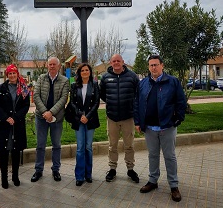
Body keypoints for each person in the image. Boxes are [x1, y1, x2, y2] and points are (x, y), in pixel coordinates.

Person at [134, 54, 186, 202]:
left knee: (169, 156)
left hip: (167, 127)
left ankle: (174, 185)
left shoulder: (173, 82)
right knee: (153, 155)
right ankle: (153, 181)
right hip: (150, 128)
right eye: (151, 65)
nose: (153, 68)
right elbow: (137, 103)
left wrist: (178, 118)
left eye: (156, 65)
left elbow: (181, 102)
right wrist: (138, 122)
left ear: (162, 65)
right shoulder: (143, 83)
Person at [99, 54, 140, 183]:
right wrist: (112, 103)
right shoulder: (105, 77)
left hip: (128, 117)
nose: (116, 63)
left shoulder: (132, 76)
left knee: (129, 146)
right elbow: (102, 94)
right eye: (114, 61)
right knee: (112, 146)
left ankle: (130, 169)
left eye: (118, 61)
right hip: (112, 117)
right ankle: (112, 169)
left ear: (123, 62)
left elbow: (138, 94)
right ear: (111, 63)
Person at [31, 57, 69, 182]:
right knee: (40, 145)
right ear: (47, 66)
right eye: (50, 64)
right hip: (41, 117)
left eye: (54, 64)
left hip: (56, 118)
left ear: (58, 66)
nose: (52, 66)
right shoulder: (41, 78)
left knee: (56, 145)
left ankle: (56, 170)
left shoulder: (64, 80)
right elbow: (36, 96)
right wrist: (45, 113)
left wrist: (51, 113)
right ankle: (38, 170)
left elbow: (63, 99)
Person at [0, 64, 30, 189]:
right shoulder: (2, 88)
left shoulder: (24, 88)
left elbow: (26, 106)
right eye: (10, 74)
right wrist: (5, 118)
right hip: (4, 125)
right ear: (7, 75)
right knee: (3, 151)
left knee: (16, 151)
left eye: (14, 73)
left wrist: (16, 117)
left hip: (17, 124)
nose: (12, 76)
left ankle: (15, 176)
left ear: (17, 74)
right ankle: (4, 177)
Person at [69, 63, 100, 186]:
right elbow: (72, 102)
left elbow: (96, 102)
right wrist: (81, 114)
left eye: (87, 70)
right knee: (80, 148)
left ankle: (88, 174)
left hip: (90, 120)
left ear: (90, 72)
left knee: (88, 147)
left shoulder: (95, 85)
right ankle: (79, 176)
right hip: (78, 119)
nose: (85, 72)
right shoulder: (74, 86)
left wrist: (87, 116)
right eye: (82, 70)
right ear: (79, 73)